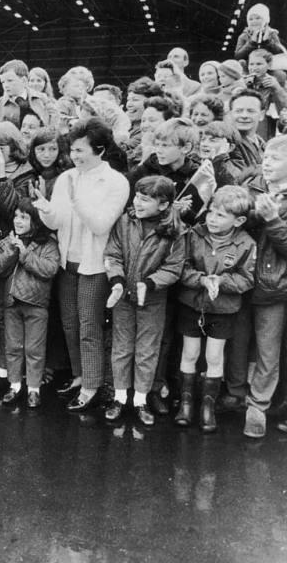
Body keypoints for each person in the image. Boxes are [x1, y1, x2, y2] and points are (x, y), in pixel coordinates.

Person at [34, 118, 130, 411]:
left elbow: (101, 226)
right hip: (67, 263)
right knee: (70, 324)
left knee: (89, 327)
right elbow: (57, 222)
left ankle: (92, 386)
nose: (74, 156)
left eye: (80, 150)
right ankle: (79, 376)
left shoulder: (116, 182)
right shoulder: (66, 178)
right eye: (72, 150)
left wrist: (77, 202)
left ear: (99, 148)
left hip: (95, 266)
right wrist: (44, 207)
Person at [104, 176, 185, 425]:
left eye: (144, 199)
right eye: (137, 196)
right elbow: (113, 252)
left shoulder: (176, 232)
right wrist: (116, 280)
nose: (137, 202)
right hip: (123, 296)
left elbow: (173, 267)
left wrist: (149, 284)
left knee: (147, 350)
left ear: (163, 205)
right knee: (122, 347)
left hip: (153, 299)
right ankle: (119, 397)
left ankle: (140, 400)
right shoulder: (124, 221)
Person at [174, 187, 255, 432]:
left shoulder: (246, 243)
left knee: (214, 357)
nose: (211, 219)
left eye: (220, 215)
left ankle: (207, 408)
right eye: (211, 212)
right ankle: (186, 404)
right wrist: (200, 280)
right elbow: (182, 266)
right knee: (189, 354)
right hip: (192, 305)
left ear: (238, 220)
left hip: (223, 310)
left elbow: (247, 278)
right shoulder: (193, 235)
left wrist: (221, 282)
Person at [0, 199, 59, 408]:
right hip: (11, 303)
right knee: (12, 346)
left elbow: (50, 270)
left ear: (36, 221)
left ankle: (34, 389)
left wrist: (25, 253)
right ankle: (14, 386)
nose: (18, 221)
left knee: (34, 348)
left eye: (24, 217)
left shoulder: (47, 244)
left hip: (36, 305)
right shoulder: (6, 242)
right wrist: (12, 250)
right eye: (16, 216)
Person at [242, 136, 287, 438]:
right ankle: (245, 403)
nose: (266, 164)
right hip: (246, 280)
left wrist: (272, 221)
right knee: (249, 349)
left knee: (269, 351)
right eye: (265, 158)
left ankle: (257, 407)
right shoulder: (252, 187)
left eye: (274, 159)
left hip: (274, 284)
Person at [0, 59, 58, 129]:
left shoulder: (41, 98)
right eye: (3, 82)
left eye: (10, 80)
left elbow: (55, 116)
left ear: (24, 80)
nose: (5, 85)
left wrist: (49, 133)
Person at [245, 49, 287, 140]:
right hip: (246, 123)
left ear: (269, 65)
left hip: (264, 127)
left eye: (259, 64)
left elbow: (284, 108)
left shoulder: (274, 82)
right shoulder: (245, 82)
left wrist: (277, 88)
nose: (254, 67)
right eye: (251, 64)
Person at [120, 77, 163, 156]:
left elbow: (121, 150)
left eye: (135, 100)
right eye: (128, 99)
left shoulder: (147, 129)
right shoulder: (127, 125)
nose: (129, 104)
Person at [229, 89, 267, 168]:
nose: (244, 116)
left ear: (261, 115)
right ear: (230, 114)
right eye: (238, 111)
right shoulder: (228, 143)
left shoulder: (262, 144)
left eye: (251, 111)